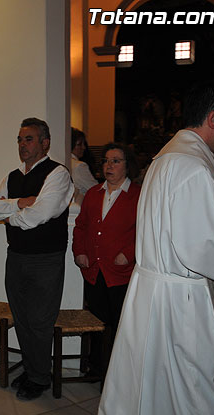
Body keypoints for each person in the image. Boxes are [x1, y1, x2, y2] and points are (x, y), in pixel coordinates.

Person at [97, 81, 214, 415]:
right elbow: (209, 250)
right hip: (181, 300)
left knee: (146, 386)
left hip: (152, 292)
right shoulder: (194, 167)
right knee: (196, 392)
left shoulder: (166, 158)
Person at [0, 118, 74, 400]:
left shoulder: (57, 174)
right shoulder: (13, 177)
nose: (23, 145)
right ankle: (34, 370)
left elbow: (42, 214)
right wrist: (21, 203)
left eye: (29, 139)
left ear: (45, 143)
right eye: (20, 140)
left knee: (40, 321)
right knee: (22, 318)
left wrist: (10, 214)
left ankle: (39, 377)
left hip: (46, 259)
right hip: (17, 257)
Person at [72, 143, 140, 375]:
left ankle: (119, 373)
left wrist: (128, 254)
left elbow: (147, 230)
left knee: (121, 324)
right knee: (96, 323)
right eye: (106, 161)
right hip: (94, 271)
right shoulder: (93, 193)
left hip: (121, 274)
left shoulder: (138, 196)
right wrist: (79, 251)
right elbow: (80, 227)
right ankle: (97, 368)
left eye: (115, 161)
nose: (108, 166)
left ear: (127, 166)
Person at [71, 128, 99, 204]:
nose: (83, 147)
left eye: (84, 144)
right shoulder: (79, 166)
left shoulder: (64, 161)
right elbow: (96, 189)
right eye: (79, 144)